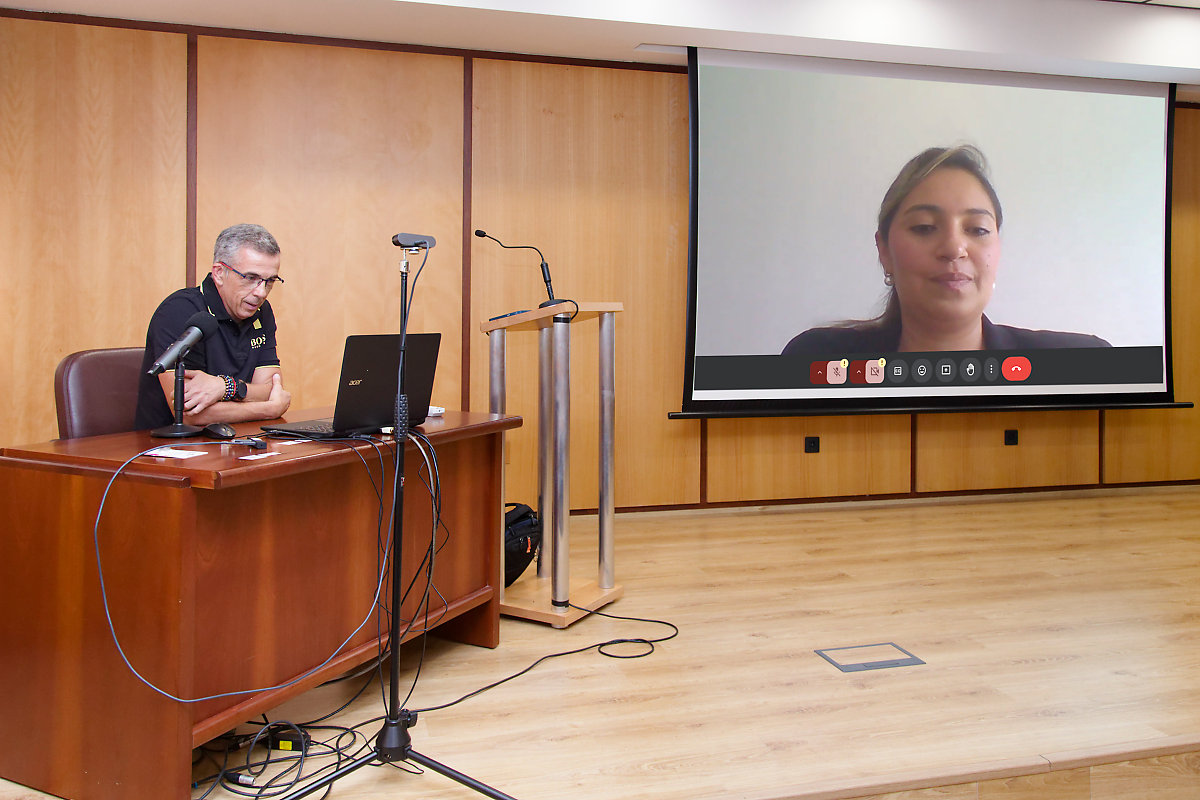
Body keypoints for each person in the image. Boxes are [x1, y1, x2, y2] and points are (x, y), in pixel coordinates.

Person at [782, 144, 1110, 355]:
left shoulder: (1084, 361)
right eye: (924, 227)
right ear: (884, 251)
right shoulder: (816, 360)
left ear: (997, 251)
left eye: (978, 230)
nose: (954, 248)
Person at [135, 223, 292, 429]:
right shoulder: (180, 310)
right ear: (219, 273)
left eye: (270, 281)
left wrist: (223, 387)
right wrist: (268, 409)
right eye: (251, 278)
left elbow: (271, 388)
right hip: (168, 450)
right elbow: (189, 414)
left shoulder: (261, 311)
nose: (261, 292)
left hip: (235, 441)